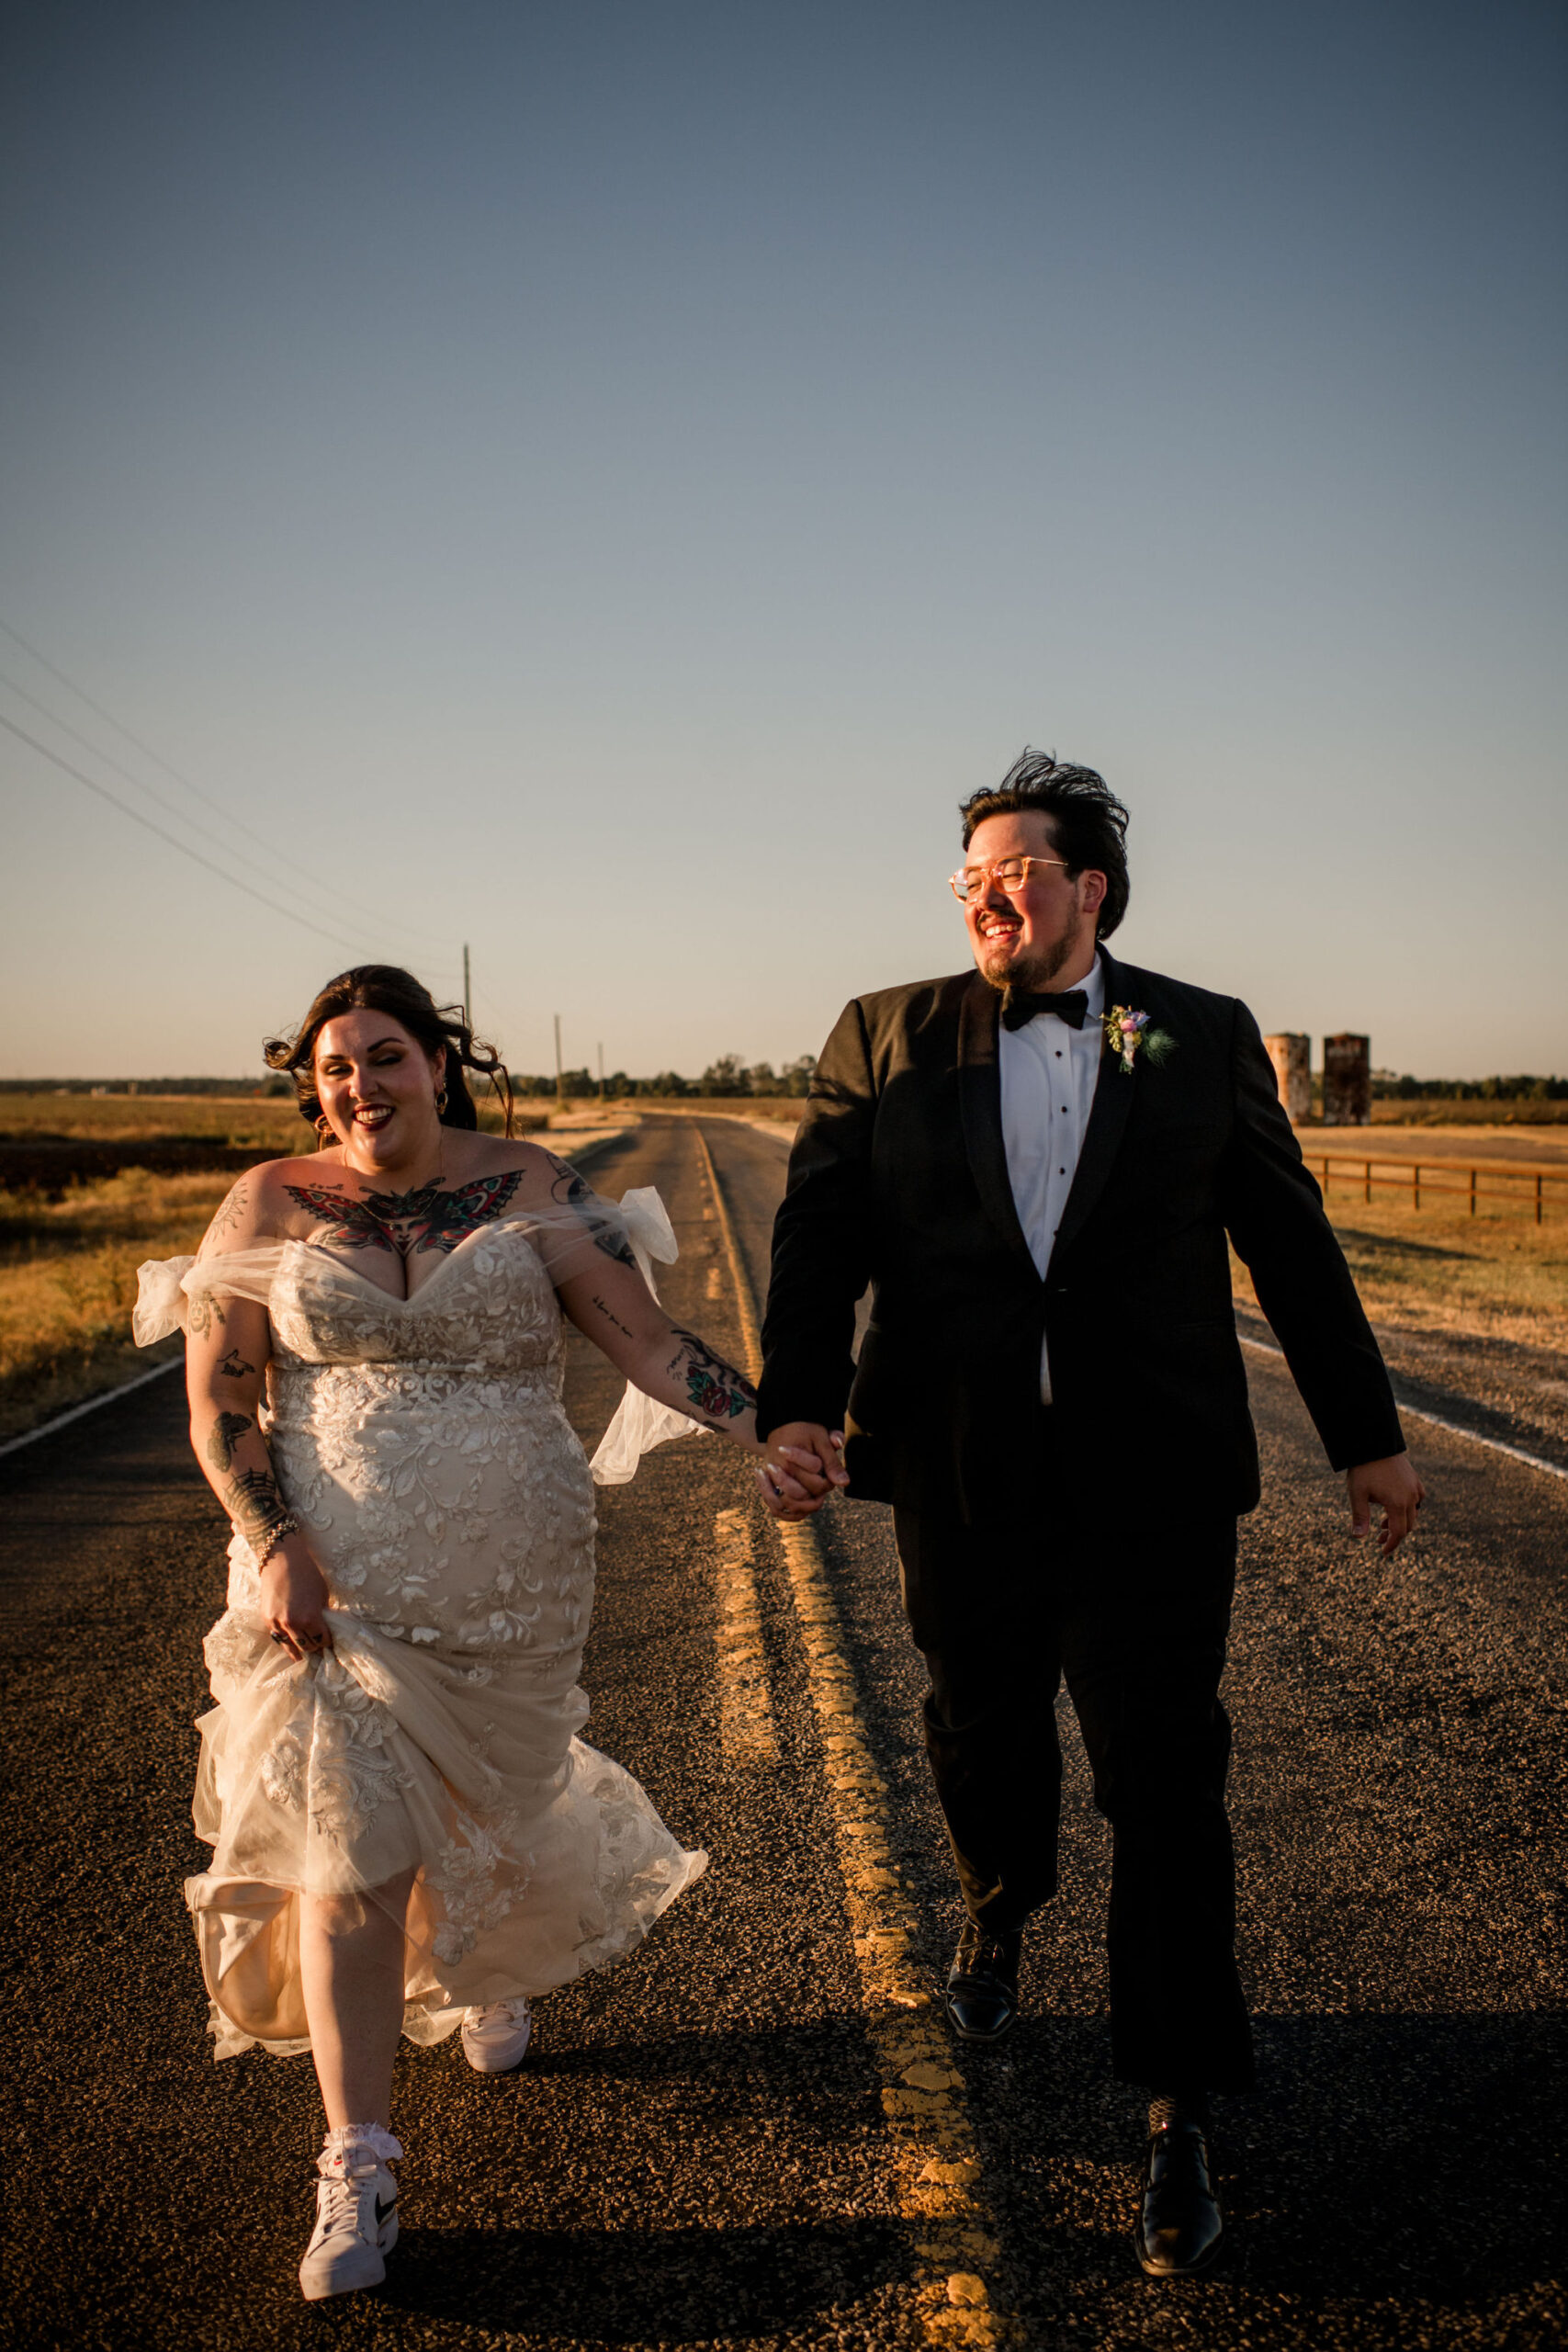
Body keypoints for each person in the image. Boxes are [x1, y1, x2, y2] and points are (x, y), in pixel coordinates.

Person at [752, 751, 1425, 2278]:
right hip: (958, 1471)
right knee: (977, 1728)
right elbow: (820, 1232)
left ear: (1090, 890)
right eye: (968, 877)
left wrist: (1367, 1438)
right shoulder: (883, 1033)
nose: (985, 895)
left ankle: (1179, 2109)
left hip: (1155, 1484)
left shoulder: (1195, 1031)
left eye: (1016, 870)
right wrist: (798, 1405)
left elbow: (1290, 1244)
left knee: (1167, 1783)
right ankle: (1000, 1905)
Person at [134, 966, 816, 2302]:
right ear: (313, 1087)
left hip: (511, 1567)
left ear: (438, 1063)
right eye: (335, 1069)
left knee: (487, 1799)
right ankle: (358, 2163)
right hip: (333, 1581)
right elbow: (222, 1407)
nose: (361, 1087)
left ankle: (484, 1962)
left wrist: (774, 1432)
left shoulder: (534, 1186)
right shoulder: (266, 1201)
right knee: (347, 1845)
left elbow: (648, 1344)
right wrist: (276, 1544)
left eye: (385, 1056)